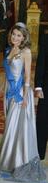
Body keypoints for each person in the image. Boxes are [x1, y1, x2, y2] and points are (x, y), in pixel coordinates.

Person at [0, 23, 46, 182]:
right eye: (13, 34)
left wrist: (26, 99)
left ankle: (17, 161)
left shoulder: (26, 52)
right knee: (10, 126)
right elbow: (6, 74)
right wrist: (0, 89)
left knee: (15, 126)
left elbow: (28, 76)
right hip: (9, 92)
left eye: (19, 35)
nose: (15, 37)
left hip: (19, 94)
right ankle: (9, 159)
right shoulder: (9, 50)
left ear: (24, 38)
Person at [35, 31, 48, 160]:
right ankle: (39, 153)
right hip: (46, 87)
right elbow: (41, 63)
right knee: (43, 121)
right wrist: (38, 87)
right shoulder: (45, 37)